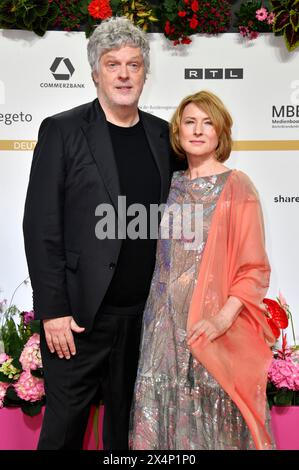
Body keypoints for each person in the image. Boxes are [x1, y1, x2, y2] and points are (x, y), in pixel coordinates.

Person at [23, 17, 176, 450]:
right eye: (113, 64)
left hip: (143, 321)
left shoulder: (162, 136)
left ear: (145, 72)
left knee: (128, 439)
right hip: (77, 322)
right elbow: (41, 226)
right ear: (95, 73)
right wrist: (52, 311)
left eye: (133, 64)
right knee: (62, 435)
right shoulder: (63, 129)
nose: (124, 74)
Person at [130, 90, 276, 450]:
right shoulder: (169, 184)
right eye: (190, 122)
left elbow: (253, 267)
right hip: (162, 329)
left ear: (220, 132)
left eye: (208, 123)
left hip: (210, 328)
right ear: (178, 131)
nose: (198, 130)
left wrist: (221, 320)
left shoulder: (237, 186)